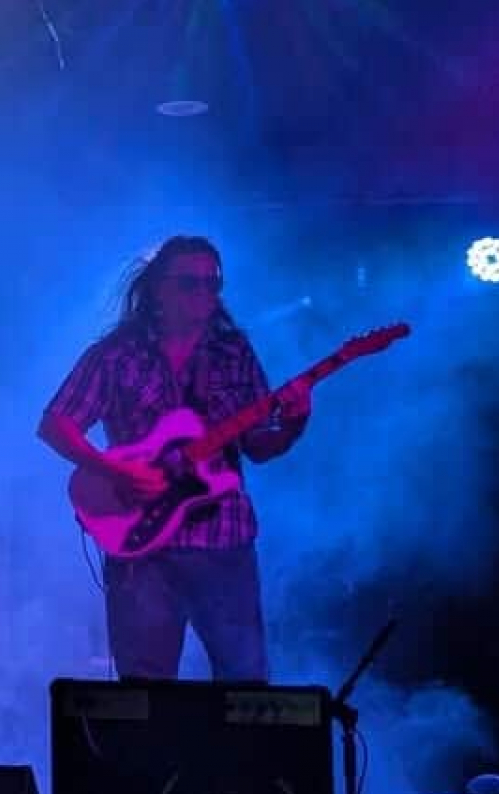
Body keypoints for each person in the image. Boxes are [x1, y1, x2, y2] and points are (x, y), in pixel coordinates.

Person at [38, 235, 311, 681]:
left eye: (212, 283)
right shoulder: (117, 354)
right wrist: (112, 469)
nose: (203, 293)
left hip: (223, 539)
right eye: (189, 283)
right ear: (157, 289)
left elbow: (259, 446)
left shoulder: (234, 353)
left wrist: (295, 423)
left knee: (244, 684)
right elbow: (56, 425)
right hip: (140, 545)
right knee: (145, 692)